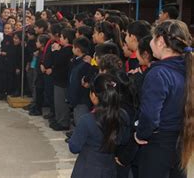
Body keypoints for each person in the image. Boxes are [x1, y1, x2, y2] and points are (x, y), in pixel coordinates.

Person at [134, 20, 193, 178]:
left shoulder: (158, 73)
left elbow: (149, 116)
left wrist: (140, 134)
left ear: (160, 41)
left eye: (152, 39)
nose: (151, 43)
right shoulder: (187, 68)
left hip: (158, 145)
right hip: (181, 143)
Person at [69, 74, 130, 178]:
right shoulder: (123, 115)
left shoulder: (87, 120)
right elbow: (124, 140)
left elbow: (74, 147)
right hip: (109, 167)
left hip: (87, 168)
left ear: (93, 95)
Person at [50, 28, 75, 131]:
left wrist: (55, 51)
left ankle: (63, 122)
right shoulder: (64, 49)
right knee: (58, 101)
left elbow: (57, 61)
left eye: (61, 37)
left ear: (67, 39)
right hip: (59, 79)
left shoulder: (67, 50)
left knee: (61, 102)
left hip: (62, 80)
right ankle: (59, 119)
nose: (59, 39)